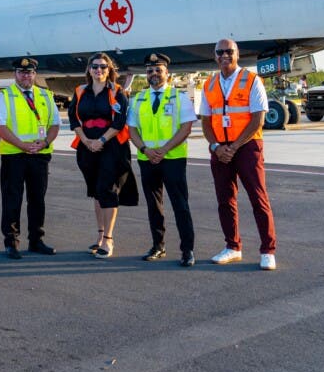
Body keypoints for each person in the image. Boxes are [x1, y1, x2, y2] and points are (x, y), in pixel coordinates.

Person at [200, 38, 278, 270]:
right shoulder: (209, 84)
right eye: (220, 52)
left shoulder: (252, 80)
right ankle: (232, 246)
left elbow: (258, 119)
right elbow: (206, 121)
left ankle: (268, 250)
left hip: (247, 146)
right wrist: (216, 147)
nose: (225, 55)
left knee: (258, 198)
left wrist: (233, 147)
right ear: (215, 56)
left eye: (229, 52)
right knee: (225, 200)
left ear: (237, 54)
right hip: (220, 149)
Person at [128, 53, 196, 267]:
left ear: (167, 73)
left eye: (158, 70)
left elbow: (186, 128)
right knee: (153, 205)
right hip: (147, 159)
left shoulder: (179, 97)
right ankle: (158, 246)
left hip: (173, 159)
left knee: (180, 205)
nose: (154, 74)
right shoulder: (138, 99)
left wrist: (164, 149)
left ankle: (187, 250)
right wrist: (146, 149)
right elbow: (131, 130)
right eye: (150, 70)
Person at [68, 52, 137, 259]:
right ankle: (99, 236)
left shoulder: (117, 92)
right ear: (89, 69)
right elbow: (73, 118)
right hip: (87, 146)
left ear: (109, 70)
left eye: (103, 67)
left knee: (107, 190)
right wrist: (87, 141)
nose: (99, 70)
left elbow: (119, 122)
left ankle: (108, 239)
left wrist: (101, 141)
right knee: (96, 191)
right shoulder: (80, 91)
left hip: (111, 146)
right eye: (95, 66)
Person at [0, 57, 61, 259]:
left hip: (40, 156)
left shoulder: (46, 95)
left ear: (34, 74)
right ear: (15, 74)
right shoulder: (5, 96)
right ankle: (11, 242)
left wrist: (45, 142)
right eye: (22, 72)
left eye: (29, 72)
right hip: (14, 156)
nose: (26, 76)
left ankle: (36, 240)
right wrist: (22, 145)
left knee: (37, 200)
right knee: (12, 199)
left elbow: (55, 124)